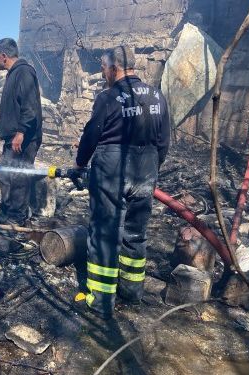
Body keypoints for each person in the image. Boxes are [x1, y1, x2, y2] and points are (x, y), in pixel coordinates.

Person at [74, 46, 170, 318]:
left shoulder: (109, 97)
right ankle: (131, 292)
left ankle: (101, 299)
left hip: (113, 168)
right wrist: (150, 169)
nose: (103, 73)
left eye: (104, 68)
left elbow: (92, 134)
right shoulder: (157, 96)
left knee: (106, 231)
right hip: (147, 167)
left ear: (114, 67)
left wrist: (80, 163)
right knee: (136, 232)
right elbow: (164, 142)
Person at [0, 38, 43, 226]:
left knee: (19, 178)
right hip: (14, 137)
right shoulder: (13, 74)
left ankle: (17, 218)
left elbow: (30, 108)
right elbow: (10, 112)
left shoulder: (24, 72)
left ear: (3, 56)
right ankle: (8, 211)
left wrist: (21, 133)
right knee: (6, 173)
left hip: (25, 138)